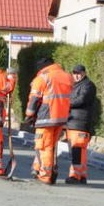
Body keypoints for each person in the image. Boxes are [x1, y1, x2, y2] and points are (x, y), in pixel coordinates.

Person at [25, 57, 73, 185]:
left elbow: (34, 99)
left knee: (43, 146)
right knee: (51, 146)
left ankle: (45, 175)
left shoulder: (42, 78)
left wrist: (29, 115)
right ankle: (43, 169)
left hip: (46, 117)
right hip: (61, 117)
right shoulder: (67, 76)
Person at [65, 64, 97, 184]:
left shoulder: (88, 85)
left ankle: (75, 175)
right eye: (74, 73)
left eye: (79, 73)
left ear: (84, 73)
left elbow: (82, 100)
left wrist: (65, 103)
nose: (76, 75)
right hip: (73, 123)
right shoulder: (75, 85)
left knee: (76, 150)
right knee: (80, 151)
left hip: (80, 123)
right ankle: (82, 175)